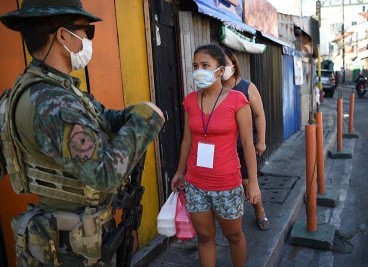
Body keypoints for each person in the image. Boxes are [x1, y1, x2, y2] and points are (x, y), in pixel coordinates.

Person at [0, 0, 165, 266]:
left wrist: (129, 114)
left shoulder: (47, 91)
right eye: (87, 30)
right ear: (64, 35)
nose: (89, 39)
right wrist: (147, 121)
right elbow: (105, 174)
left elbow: (99, 117)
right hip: (72, 249)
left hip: (70, 237)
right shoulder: (52, 103)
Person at [171, 44, 261, 266]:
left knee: (234, 236)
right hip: (195, 183)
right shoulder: (190, 101)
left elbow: (248, 144)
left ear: (220, 71)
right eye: (195, 66)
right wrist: (179, 172)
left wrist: (253, 183)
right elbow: (187, 140)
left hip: (227, 183)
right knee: (204, 237)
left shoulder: (238, 101)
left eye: (205, 65)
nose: (198, 70)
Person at [221, 48, 269, 231]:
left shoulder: (247, 87)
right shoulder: (214, 90)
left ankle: (259, 210)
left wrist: (261, 140)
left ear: (234, 65)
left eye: (225, 64)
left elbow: (259, 115)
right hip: (223, 147)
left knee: (248, 182)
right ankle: (231, 218)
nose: (223, 68)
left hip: (245, 146)